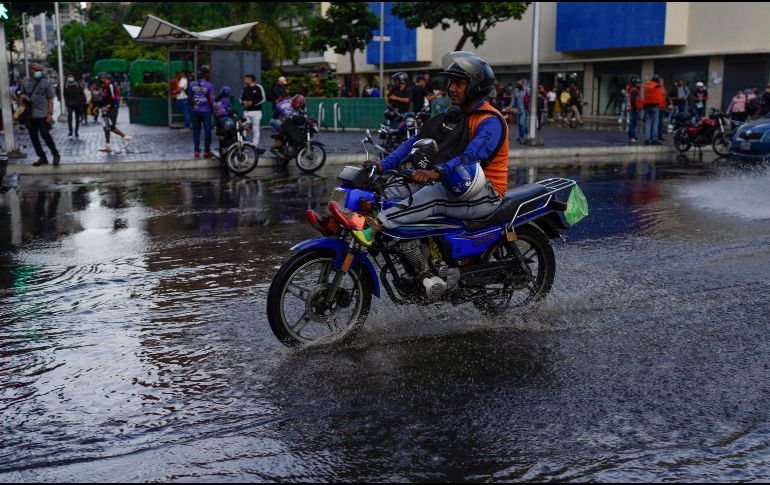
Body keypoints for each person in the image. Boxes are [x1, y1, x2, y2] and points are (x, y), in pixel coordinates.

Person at [360, 51, 508, 243]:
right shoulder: (456, 114)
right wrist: (382, 166)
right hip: (453, 181)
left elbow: (470, 157)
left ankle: (376, 226)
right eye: (451, 83)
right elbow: (416, 141)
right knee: (388, 189)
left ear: (476, 87)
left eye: (459, 83)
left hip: (486, 192)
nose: (451, 89)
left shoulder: (490, 122)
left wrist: (435, 173)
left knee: (433, 196)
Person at [22, 63, 61, 166]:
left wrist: (50, 114)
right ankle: (42, 157)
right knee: (33, 138)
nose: (39, 71)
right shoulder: (25, 81)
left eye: (40, 69)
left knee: (45, 134)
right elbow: (22, 95)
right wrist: (22, 101)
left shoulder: (45, 83)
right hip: (30, 114)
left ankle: (55, 154)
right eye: (36, 69)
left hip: (43, 113)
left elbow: (50, 99)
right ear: (31, 70)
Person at [97, 72, 132, 153]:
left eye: (100, 78)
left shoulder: (110, 86)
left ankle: (126, 137)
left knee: (110, 126)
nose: (100, 80)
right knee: (106, 126)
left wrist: (108, 106)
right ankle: (108, 145)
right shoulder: (106, 86)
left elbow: (113, 98)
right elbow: (105, 99)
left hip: (112, 108)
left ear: (104, 78)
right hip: (107, 108)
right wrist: (98, 107)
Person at [187, 66, 215, 158]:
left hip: (195, 111)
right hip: (206, 111)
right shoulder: (209, 85)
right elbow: (211, 100)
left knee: (196, 131)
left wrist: (193, 105)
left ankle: (196, 151)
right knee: (207, 131)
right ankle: (207, 151)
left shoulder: (192, 84)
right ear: (206, 74)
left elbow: (189, 97)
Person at [240, 74, 267, 153]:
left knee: (255, 128)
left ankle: (255, 145)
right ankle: (243, 144)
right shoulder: (245, 88)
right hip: (246, 112)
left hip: (256, 111)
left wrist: (252, 103)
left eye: (246, 79)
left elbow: (263, 99)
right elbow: (240, 98)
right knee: (244, 127)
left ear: (250, 79)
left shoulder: (259, 87)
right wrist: (244, 102)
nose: (245, 80)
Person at [643, 74, 664, 145]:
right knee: (655, 122)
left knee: (648, 123)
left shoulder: (647, 85)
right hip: (655, 106)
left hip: (646, 105)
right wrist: (661, 105)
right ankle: (654, 139)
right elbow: (660, 96)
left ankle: (647, 139)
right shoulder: (657, 86)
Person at [64, 74, 86, 138]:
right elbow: (64, 94)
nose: (70, 78)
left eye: (71, 77)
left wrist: (81, 100)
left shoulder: (77, 84)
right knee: (70, 118)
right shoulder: (66, 85)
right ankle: (70, 132)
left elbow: (82, 93)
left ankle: (76, 131)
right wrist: (67, 101)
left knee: (77, 118)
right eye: (69, 77)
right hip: (69, 104)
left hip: (77, 104)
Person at [627, 76, 642, 143]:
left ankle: (633, 137)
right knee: (632, 124)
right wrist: (635, 108)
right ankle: (632, 137)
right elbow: (632, 100)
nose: (640, 84)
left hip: (634, 109)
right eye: (638, 83)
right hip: (634, 109)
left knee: (633, 124)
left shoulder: (635, 89)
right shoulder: (634, 90)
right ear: (635, 83)